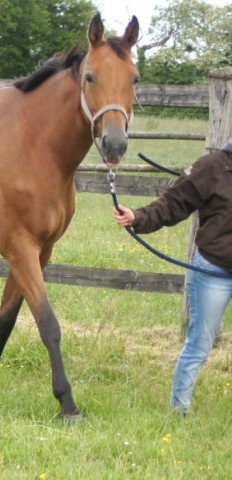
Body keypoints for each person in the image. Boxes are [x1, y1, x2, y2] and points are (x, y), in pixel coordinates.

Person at [113, 138, 232, 415]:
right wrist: (138, 218)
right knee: (200, 343)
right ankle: (179, 410)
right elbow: (174, 203)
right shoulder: (212, 168)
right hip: (212, 270)